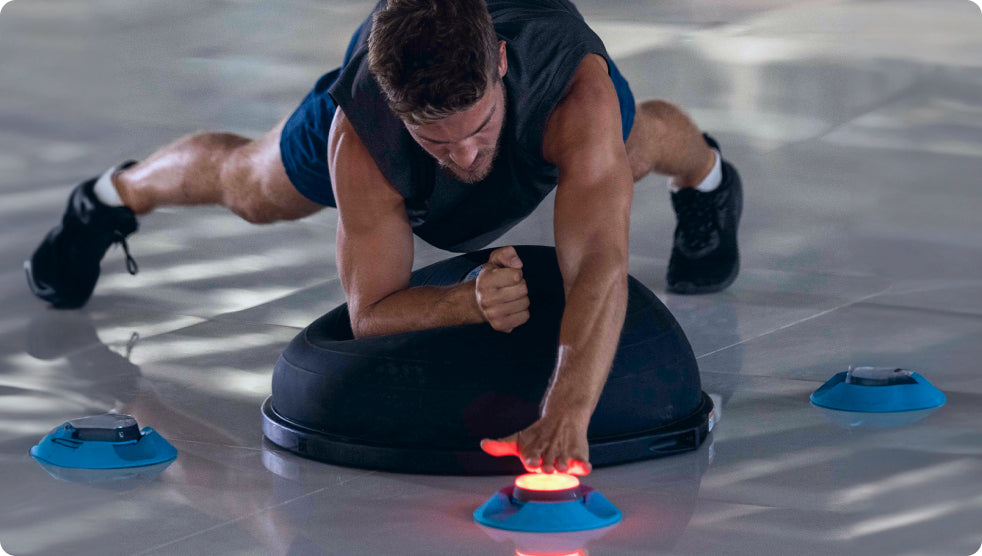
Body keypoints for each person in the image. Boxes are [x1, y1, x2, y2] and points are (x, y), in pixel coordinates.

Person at [25, 0, 742, 476]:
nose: (462, 158)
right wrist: (466, 302)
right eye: (437, 141)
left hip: (557, 101)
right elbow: (370, 312)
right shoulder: (361, 135)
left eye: (475, 129)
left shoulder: (571, 95)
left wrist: (566, 412)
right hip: (390, 101)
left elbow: (599, 265)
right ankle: (107, 198)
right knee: (253, 187)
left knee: (629, 142)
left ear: (498, 63)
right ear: (396, 110)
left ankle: (709, 182)